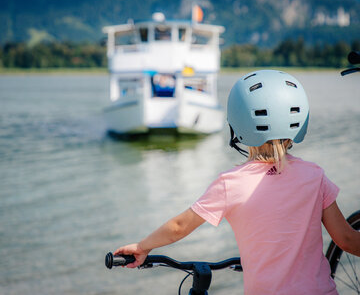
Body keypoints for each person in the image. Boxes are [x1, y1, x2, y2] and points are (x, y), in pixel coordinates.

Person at [114, 70, 360, 295]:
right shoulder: (315, 176)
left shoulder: (230, 184)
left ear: (238, 124)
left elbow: (179, 227)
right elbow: (346, 239)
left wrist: (142, 246)